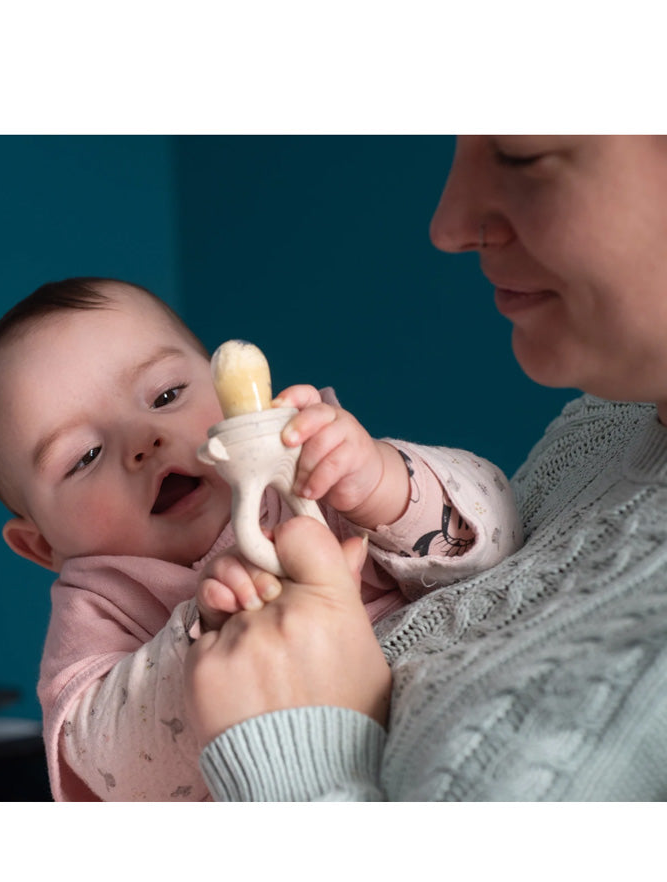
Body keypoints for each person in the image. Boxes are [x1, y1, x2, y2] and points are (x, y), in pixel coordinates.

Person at [184, 134, 667, 802]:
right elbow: (483, 560)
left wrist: (292, 753)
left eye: (522, 152)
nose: (446, 227)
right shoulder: (608, 425)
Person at [0, 276, 521, 801]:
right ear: (42, 547)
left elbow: (496, 532)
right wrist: (210, 632)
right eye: (84, 456)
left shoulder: (314, 465)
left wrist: (383, 483)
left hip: (456, 738)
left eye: (165, 396)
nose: (144, 441)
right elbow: (109, 772)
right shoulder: (101, 601)